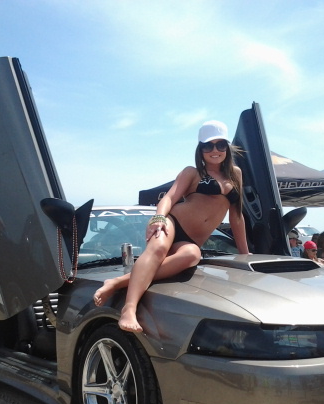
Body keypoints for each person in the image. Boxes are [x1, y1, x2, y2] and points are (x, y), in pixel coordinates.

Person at [93, 120, 250, 332]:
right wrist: (159, 218)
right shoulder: (192, 172)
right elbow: (170, 197)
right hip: (172, 222)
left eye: (220, 145)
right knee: (157, 249)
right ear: (200, 149)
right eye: (208, 146)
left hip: (191, 240)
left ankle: (118, 282)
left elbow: (236, 217)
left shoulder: (236, 174)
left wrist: (245, 254)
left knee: (192, 255)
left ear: (227, 147)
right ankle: (129, 309)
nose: (215, 150)